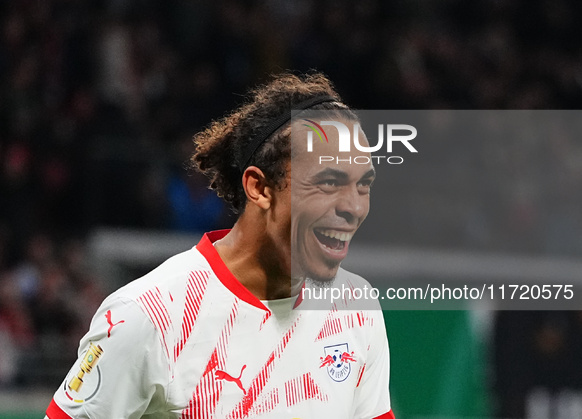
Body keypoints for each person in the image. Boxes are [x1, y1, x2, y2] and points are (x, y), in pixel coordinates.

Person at [45, 73, 395, 419]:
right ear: (259, 187)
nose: (353, 207)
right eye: (329, 182)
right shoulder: (149, 315)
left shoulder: (355, 306)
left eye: (363, 186)